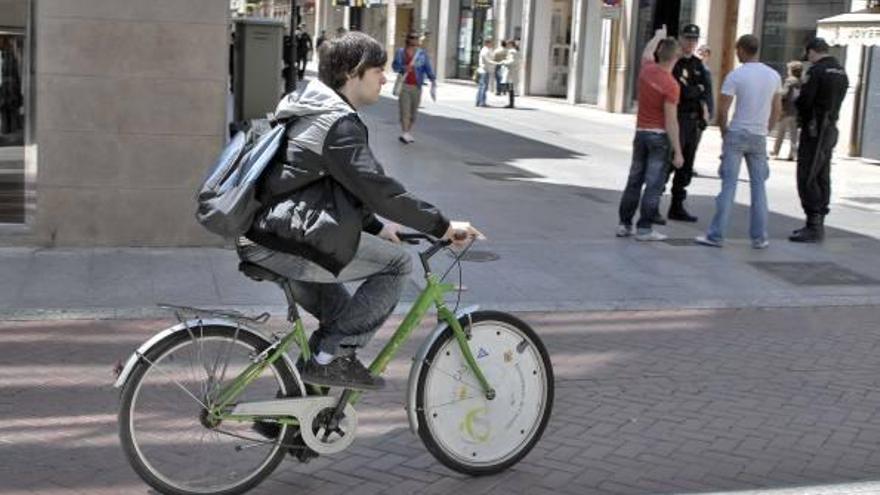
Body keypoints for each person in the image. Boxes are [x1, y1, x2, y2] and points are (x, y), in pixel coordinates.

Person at [238, 32, 482, 390]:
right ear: (353, 72)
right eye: (378, 70)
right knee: (397, 264)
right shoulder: (338, 123)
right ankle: (330, 361)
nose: (385, 78)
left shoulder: (312, 106)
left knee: (339, 323)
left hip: (269, 233)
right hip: (282, 242)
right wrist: (441, 226)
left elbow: (331, 185)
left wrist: (375, 227)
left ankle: (292, 424)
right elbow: (378, 189)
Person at [695, 35, 782, 250]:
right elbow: (777, 109)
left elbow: (723, 110)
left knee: (728, 186)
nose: (736, 53)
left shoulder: (736, 75)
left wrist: (725, 133)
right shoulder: (773, 76)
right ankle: (760, 237)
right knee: (759, 187)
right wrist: (766, 129)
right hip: (758, 136)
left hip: (737, 132)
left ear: (742, 50)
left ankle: (716, 236)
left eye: (737, 50)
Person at [616, 27, 684, 242]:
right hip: (659, 138)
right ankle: (644, 228)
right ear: (676, 57)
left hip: (641, 134)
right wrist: (678, 152)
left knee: (634, 180)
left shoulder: (647, 70)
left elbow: (646, 52)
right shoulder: (671, 85)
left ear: (659, 54)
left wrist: (657, 36)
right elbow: (671, 120)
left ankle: (624, 224)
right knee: (653, 184)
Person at [789, 38, 848, 243]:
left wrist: (798, 100)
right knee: (822, 173)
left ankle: (813, 223)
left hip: (814, 129)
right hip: (830, 127)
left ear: (813, 52)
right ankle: (819, 220)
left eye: (809, 55)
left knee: (807, 174)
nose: (809, 59)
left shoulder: (816, 71)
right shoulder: (841, 71)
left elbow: (806, 101)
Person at [665, 24, 710, 223]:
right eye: (688, 39)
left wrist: (704, 109)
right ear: (680, 39)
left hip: (694, 120)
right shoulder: (673, 63)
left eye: (694, 39)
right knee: (671, 160)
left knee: (687, 165)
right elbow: (679, 92)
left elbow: (706, 90)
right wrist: (695, 90)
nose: (691, 43)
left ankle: (677, 206)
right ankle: (653, 205)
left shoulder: (698, 64)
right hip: (679, 118)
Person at [392, 32, 437, 144]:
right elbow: (395, 66)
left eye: (416, 38)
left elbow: (427, 67)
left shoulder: (422, 54)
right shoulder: (400, 52)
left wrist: (432, 79)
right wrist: (403, 67)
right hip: (404, 85)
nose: (415, 40)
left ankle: (407, 132)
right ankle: (405, 132)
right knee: (405, 111)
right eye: (412, 37)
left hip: (417, 86)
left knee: (413, 113)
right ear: (408, 39)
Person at [771, 61, 803, 161]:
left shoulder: (789, 81)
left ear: (791, 70)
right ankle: (793, 154)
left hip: (786, 110)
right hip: (796, 111)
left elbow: (784, 94)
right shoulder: (801, 82)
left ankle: (776, 152)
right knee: (793, 134)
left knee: (781, 132)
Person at [475, 39, 496, 107]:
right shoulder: (485, 51)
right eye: (491, 43)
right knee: (484, 87)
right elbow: (488, 60)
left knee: (481, 86)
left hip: (484, 70)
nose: (492, 44)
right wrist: (496, 63)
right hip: (484, 70)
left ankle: (478, 101)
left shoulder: (486, 50)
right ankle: (482, 102)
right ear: (487, 43)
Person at [501, 40, 520, 109]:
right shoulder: (515, 51)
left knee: (511, 87)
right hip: (513, 71)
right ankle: (511, 103)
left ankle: (511, 104)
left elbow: (512, 61)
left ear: (511, 44)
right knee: (511, 87)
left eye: (508, 44)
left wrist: (504, 62)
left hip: (511, 71)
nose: (507, 46)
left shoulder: (512, 51)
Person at [697, 45, 714, 120]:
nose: (703, 56)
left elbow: (708, 91)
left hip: (704, 104)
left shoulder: (707, 70)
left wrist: (710, 108)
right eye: (701, 54)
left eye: (705, 54)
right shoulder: (697, 69)